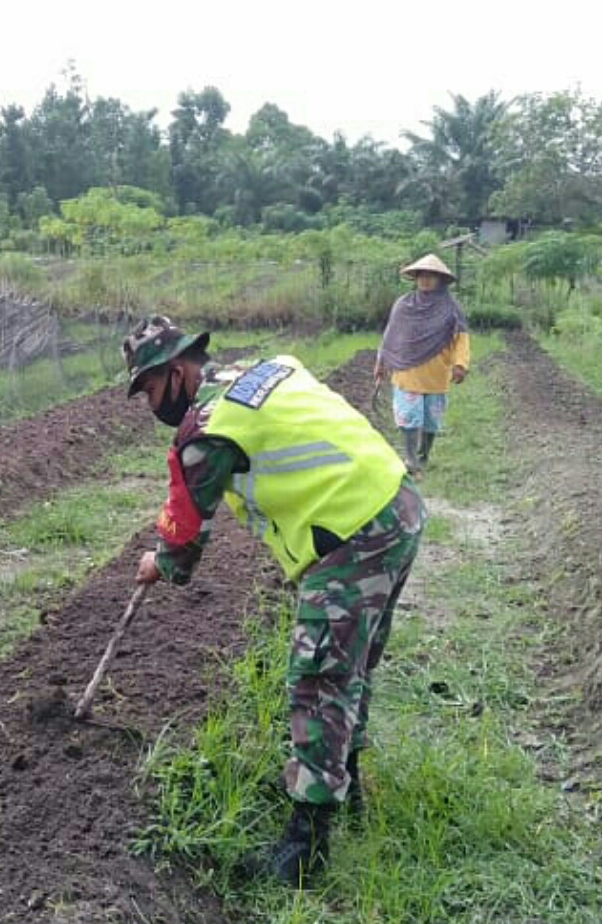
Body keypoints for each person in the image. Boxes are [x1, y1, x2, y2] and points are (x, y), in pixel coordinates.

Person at [123, 315, 426, 886]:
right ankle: (345, 784)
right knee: (351, 667)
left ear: (179, 370)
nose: (151, 404)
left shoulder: (205, 432)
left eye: (151, 389)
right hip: (397, 503)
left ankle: (304, 850)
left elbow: (184, 544)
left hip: (353, 533)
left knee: (318, 679)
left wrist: (158, 562)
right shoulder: (267, 368)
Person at [374, 253, 469, 474]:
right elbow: (391, 336)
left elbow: (461, 338)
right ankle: (410, 458)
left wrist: (460, 365)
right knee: (408, 416)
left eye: (431, 276)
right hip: (407, 370)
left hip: (436, 372)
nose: (425, 280)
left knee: (431, 419)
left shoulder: (451, 308)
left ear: (440, 280)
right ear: (415, 278)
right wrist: (381, 362)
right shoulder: (403, 305)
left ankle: (424, 456)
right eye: (421, 275)